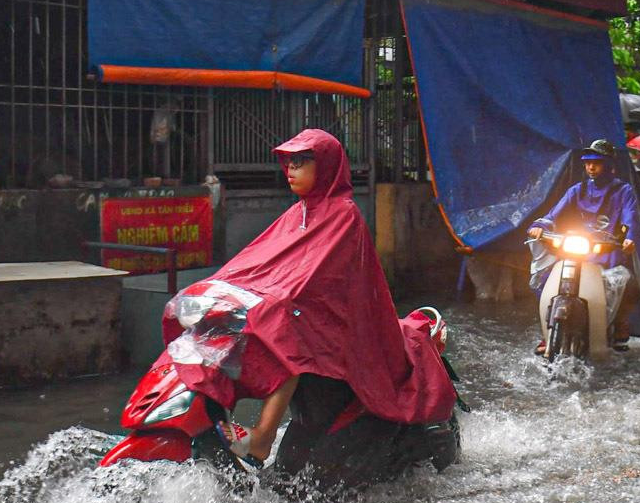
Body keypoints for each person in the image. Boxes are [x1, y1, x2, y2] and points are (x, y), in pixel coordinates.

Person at [165, 128, 456, 476]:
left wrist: (279, 299)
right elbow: (256, 263)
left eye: (301, 161)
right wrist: (215, 287)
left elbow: (323, 278)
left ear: (327, 166)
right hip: (310, 314)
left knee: (286, 331)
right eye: (289, 162)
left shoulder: (344, 214)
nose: (291, 169)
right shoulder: (297, 213)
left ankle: (264, 436)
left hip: (341, 326)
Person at [528, 138, 640, 349]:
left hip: (608, 251)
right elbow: (553, 214)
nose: (591, 167)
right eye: (588, 163)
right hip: (578, 250)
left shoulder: (623, 191)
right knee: (545, 280)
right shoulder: (577, 190)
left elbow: (630, 217)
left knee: (627, 282)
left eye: (596, 163)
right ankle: (548, 330)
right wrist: (540, 226)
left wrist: (629, 238)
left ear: (608, 165)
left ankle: (619, 323)